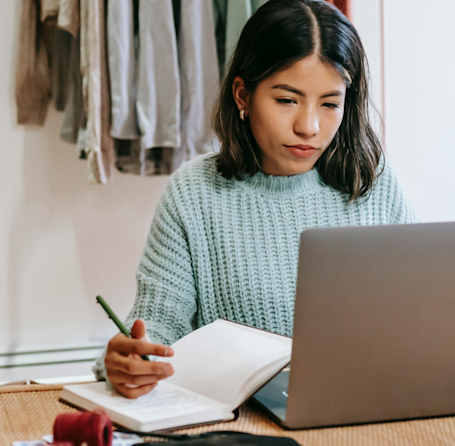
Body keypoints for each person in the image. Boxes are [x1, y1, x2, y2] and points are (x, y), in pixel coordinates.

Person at [95, 0, 417, 399]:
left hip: (367, 407)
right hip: (243, 426)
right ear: (243, 95)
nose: (309, 127)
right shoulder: (193, 194)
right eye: (286, 100)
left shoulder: (372, 182)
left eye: (330, 103)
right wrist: (130, 361)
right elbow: (156, 328)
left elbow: (418, 314)